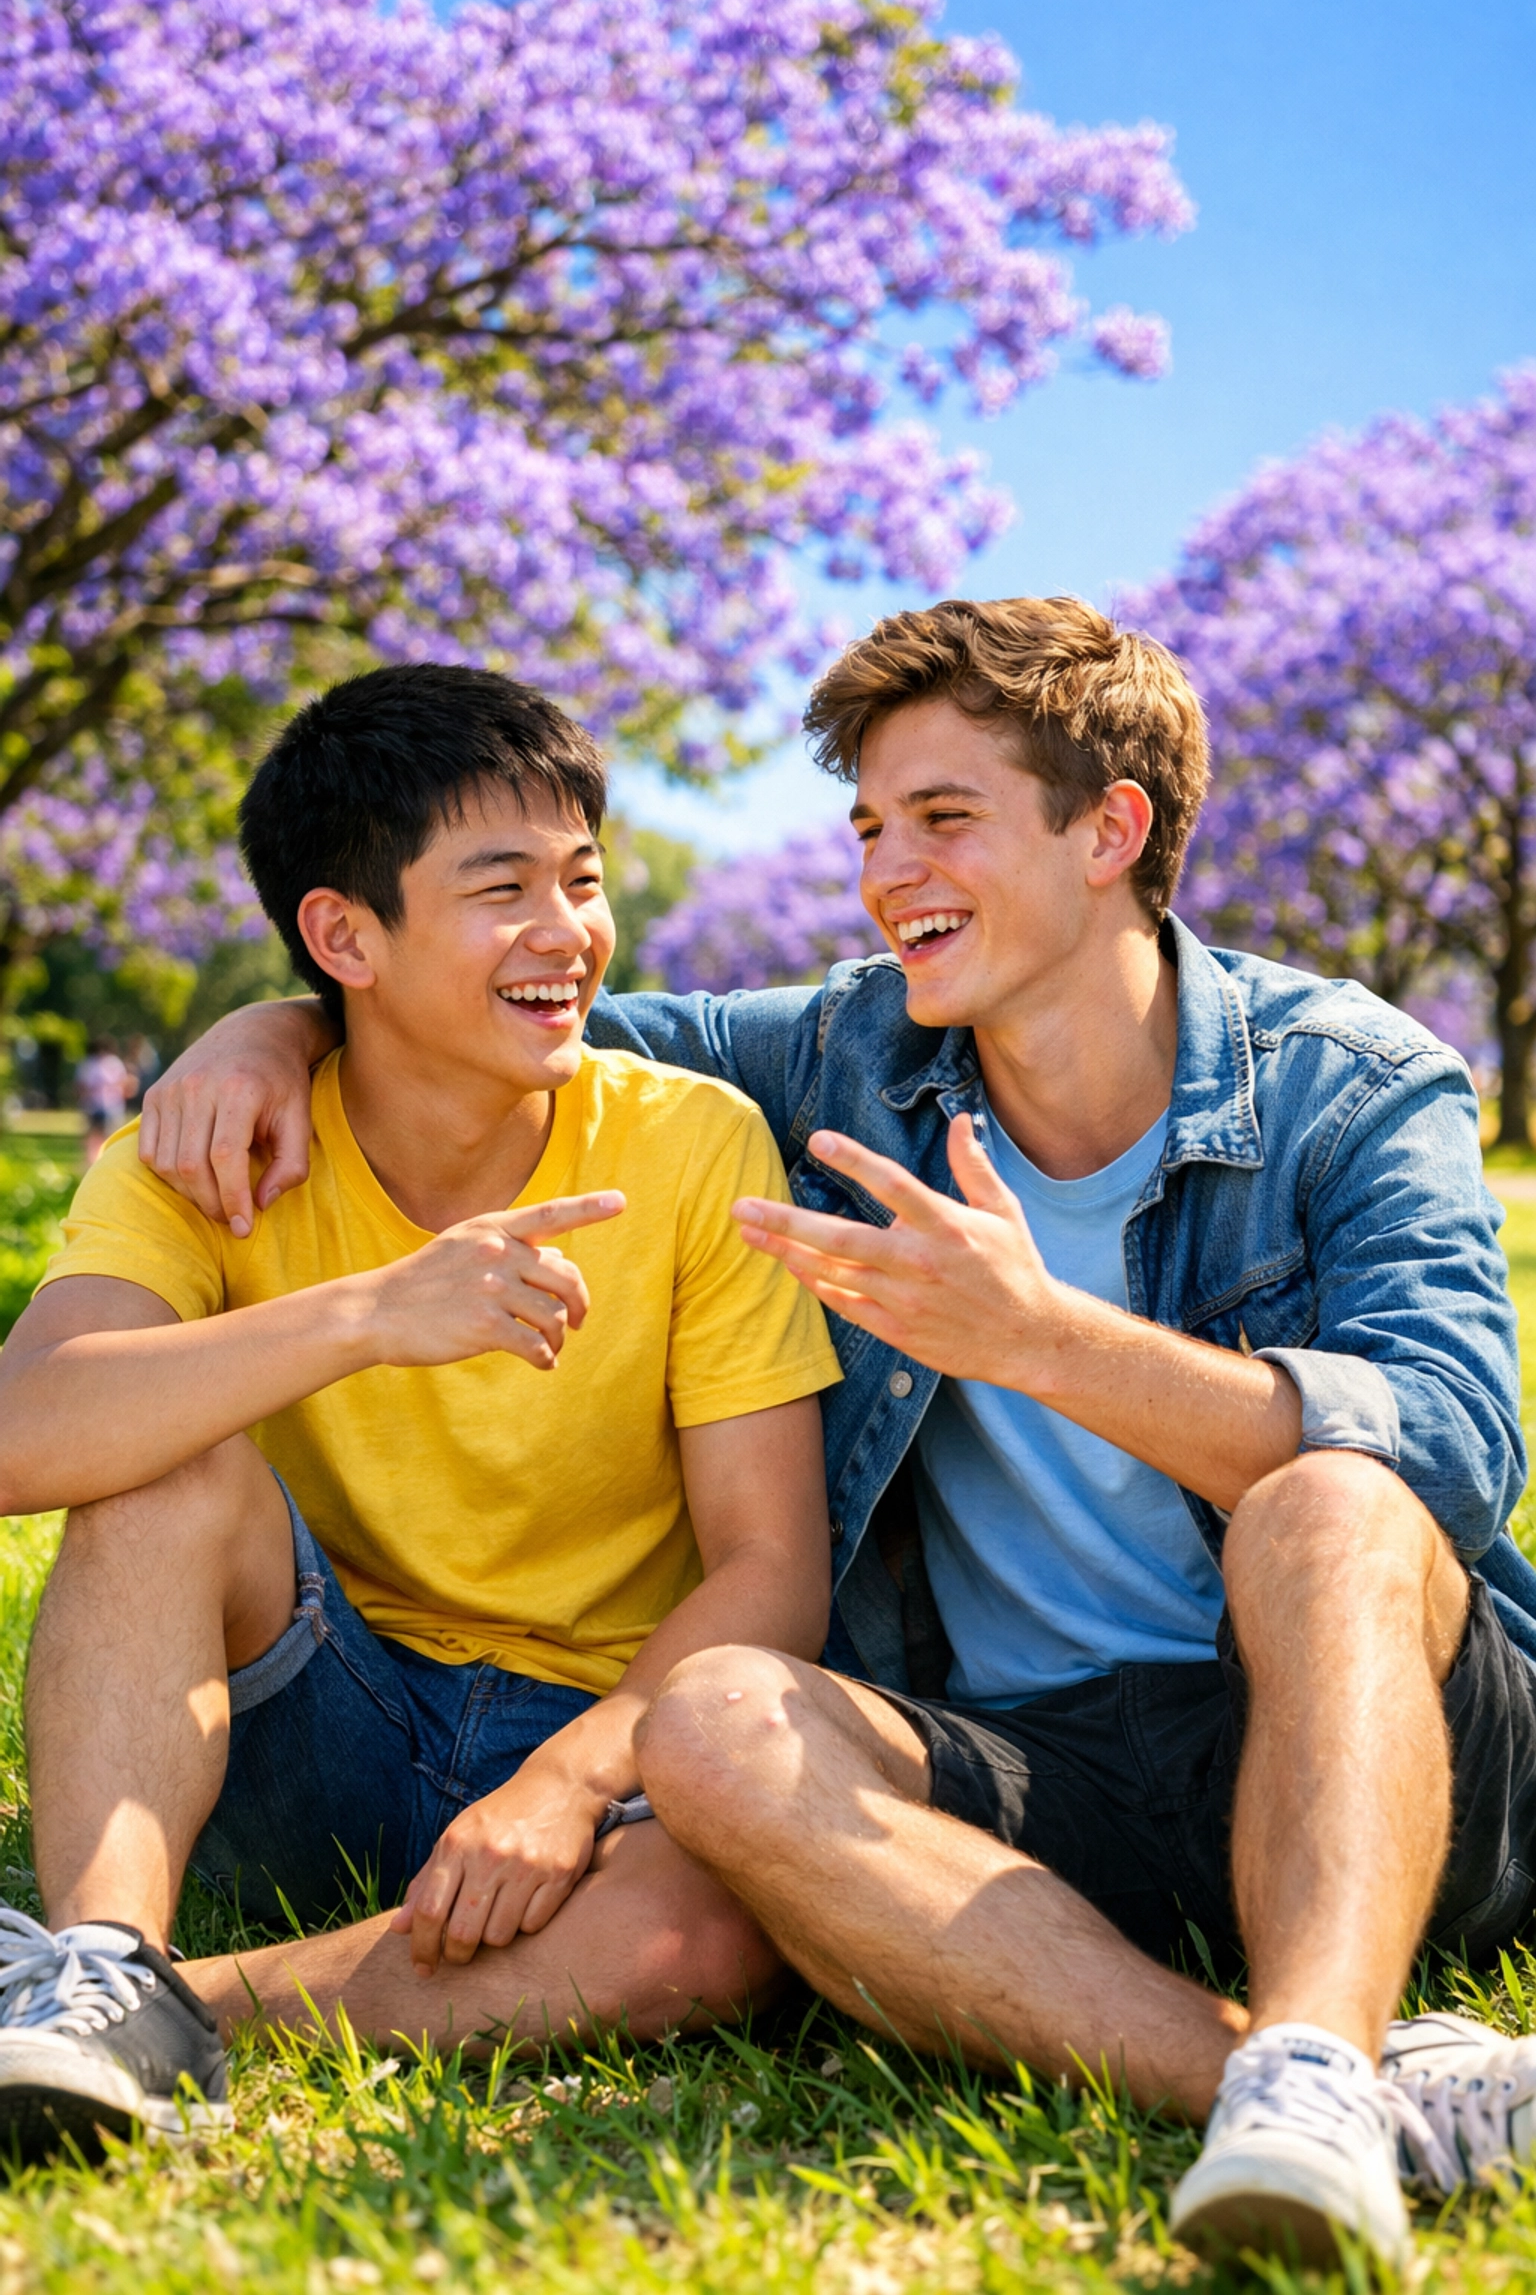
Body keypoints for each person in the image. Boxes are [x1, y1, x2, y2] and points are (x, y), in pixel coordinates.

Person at [139, 600, 1536, 2265]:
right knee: (717, 1719)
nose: (888, 873)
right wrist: (274, 1023)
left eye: (942, 818)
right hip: (1038, 1780)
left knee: (1335, 1502)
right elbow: (495, 1007)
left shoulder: (1351, 1082)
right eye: (871, 826)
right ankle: (1300, 2090)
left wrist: (1046, 1342)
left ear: (1113, 828)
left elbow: (1451, 1443)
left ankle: (1317, 2036)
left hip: (1372, 1744)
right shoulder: (841, 1052)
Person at [0, 664, 840, 2164]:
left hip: (600, 1735)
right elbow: (27, 1434)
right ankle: (102, 1956)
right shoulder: (206, 1147)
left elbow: (769, 1564)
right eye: (501, 886)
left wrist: (568, 1784)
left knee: (717, 1931)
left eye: (583, 879)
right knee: (154, 1462)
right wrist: (371, 1315)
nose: (568, 934)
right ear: (344, 936)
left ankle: (139, 2010)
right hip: (306, 1715)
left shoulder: (695, 1143)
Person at [75, 1036, 133, 1167]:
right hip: (94, 1105)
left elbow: (123, 1083)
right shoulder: (89, 1064)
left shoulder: (113, 1063)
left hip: (111, 1105)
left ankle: (107, 1161)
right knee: (93, 1135)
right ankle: (92, 1161)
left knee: (110, 1135)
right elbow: (81, 1086)